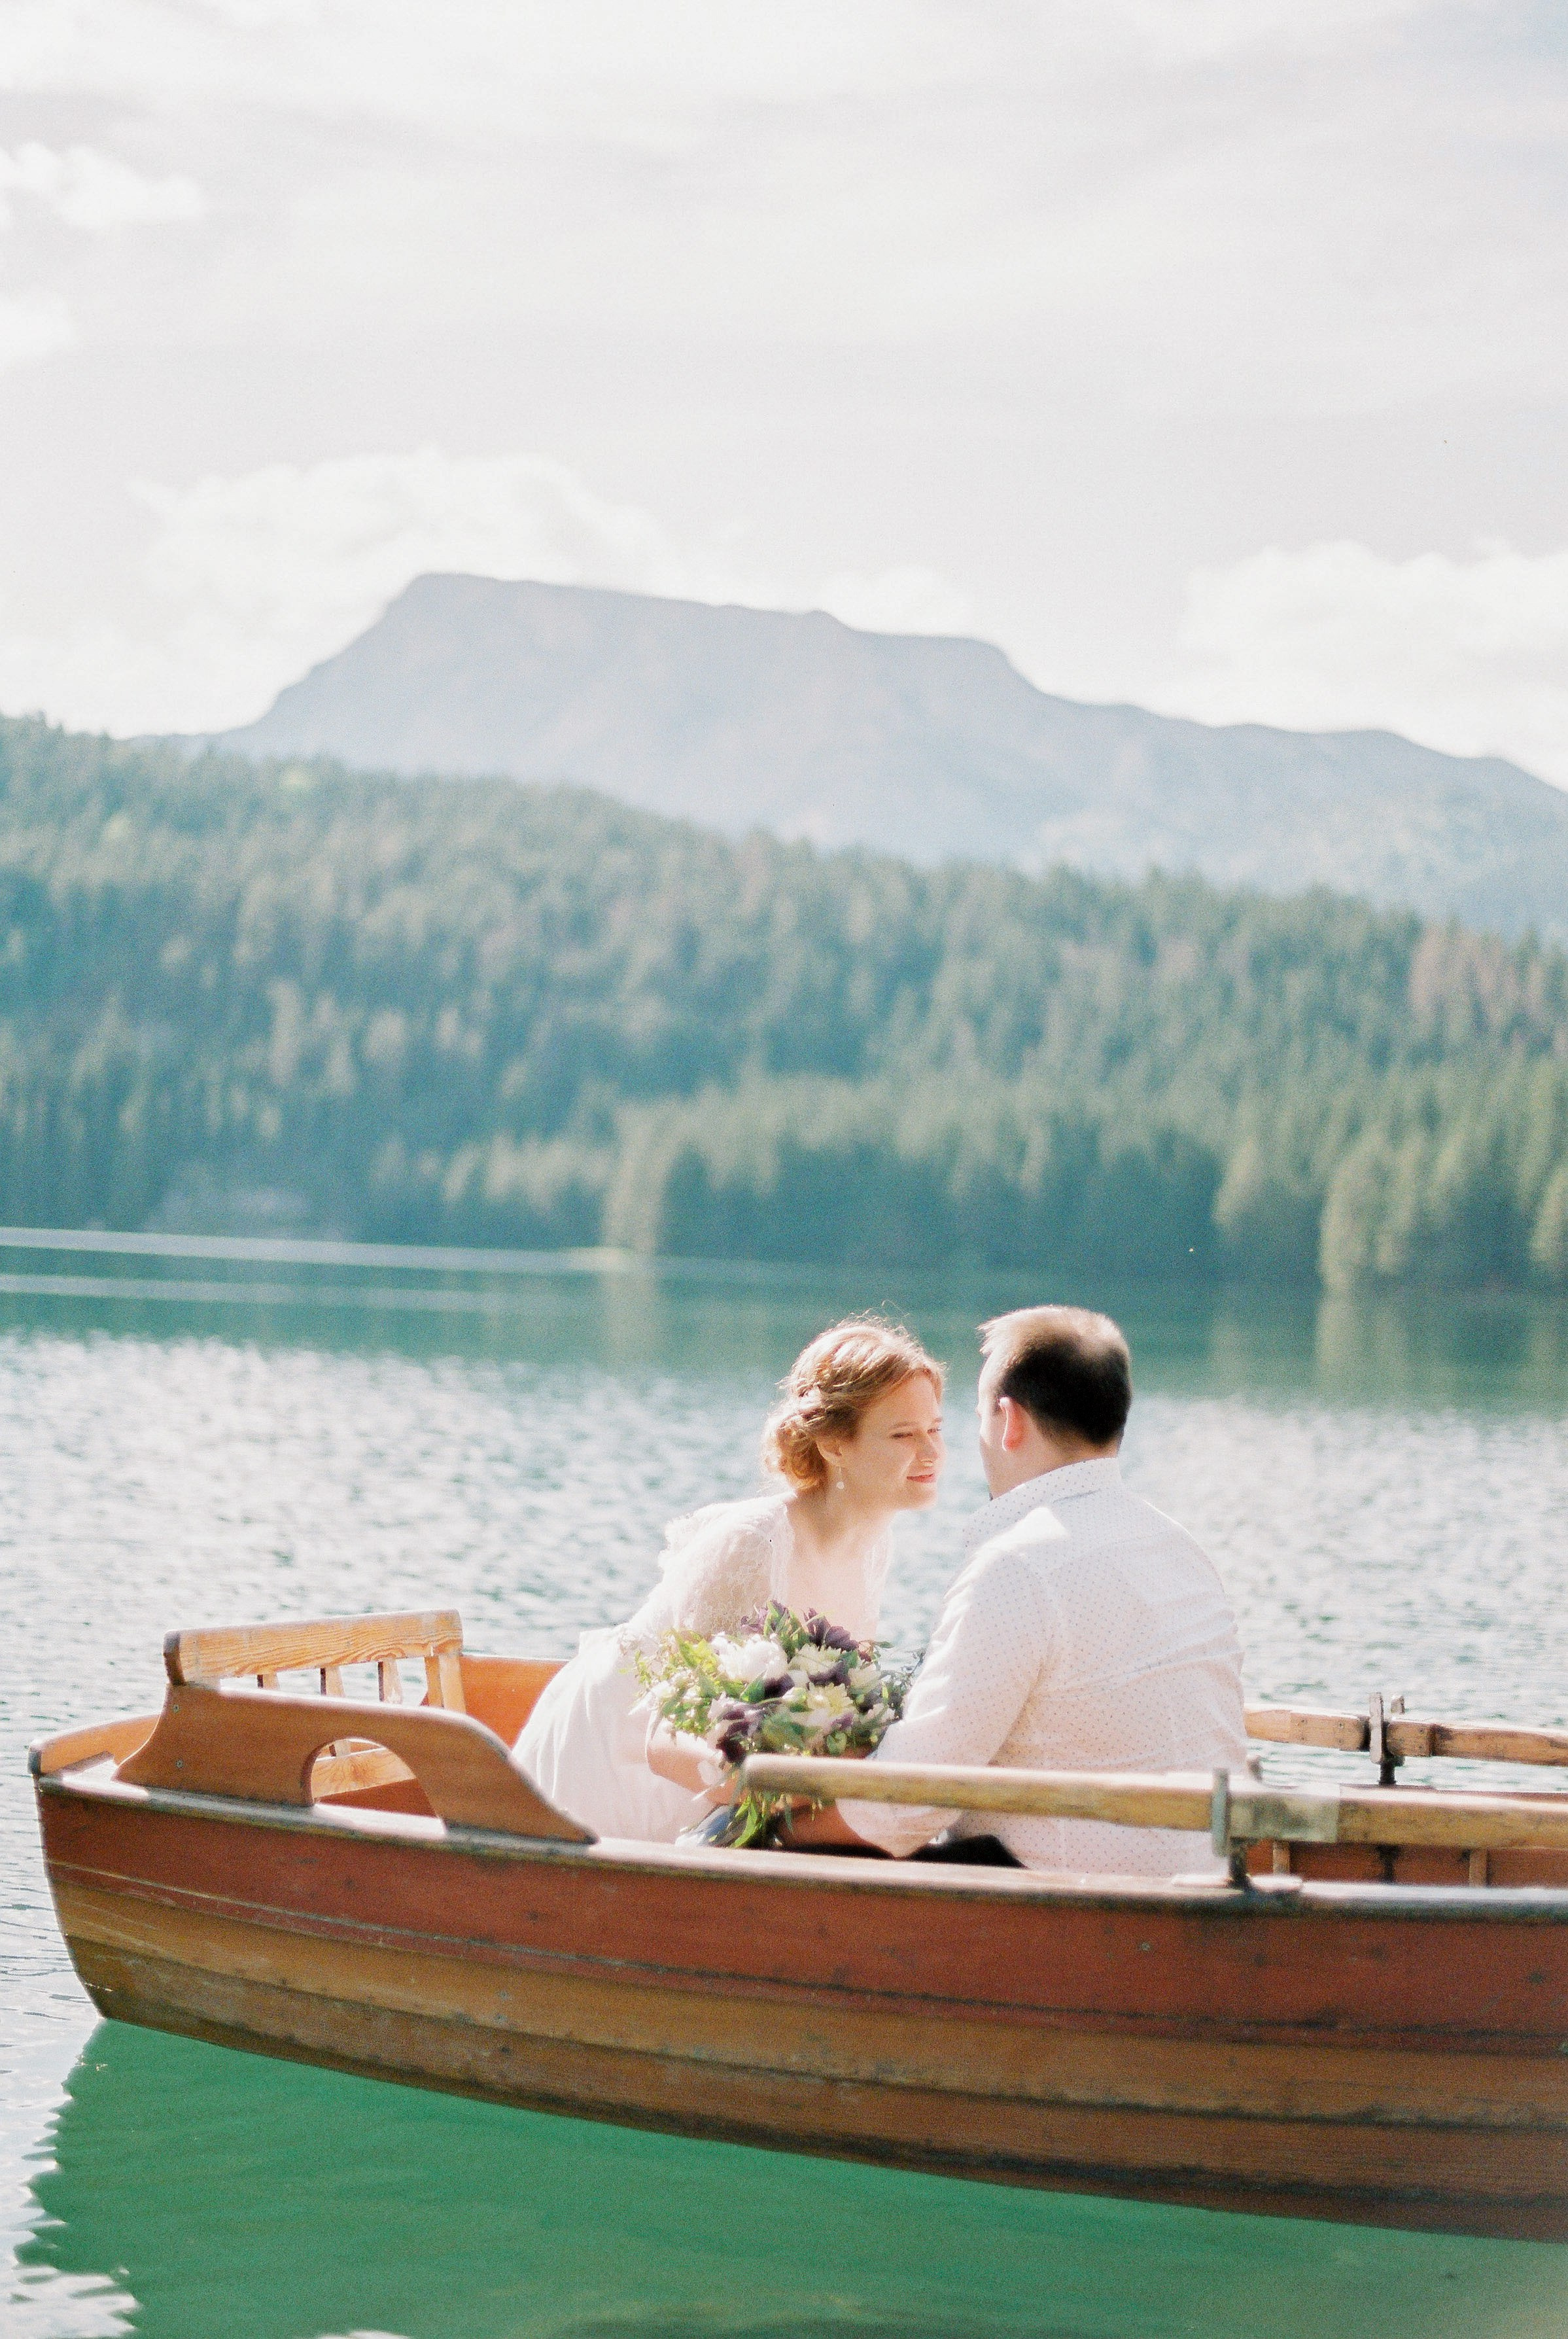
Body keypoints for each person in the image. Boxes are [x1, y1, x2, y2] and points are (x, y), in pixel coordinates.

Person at [782, 1304, 1249, 1874]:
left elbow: (906, 1804)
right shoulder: (1180, 1547)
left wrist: (769, 1827)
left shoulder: (1017, 1567)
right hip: (1213, 1876)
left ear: (1008, 1420)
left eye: (975, 1413)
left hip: (1077, 1910)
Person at [515, 1316, 945, 1841]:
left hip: (735, 1765)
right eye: (904, 1434)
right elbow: (672, 1730)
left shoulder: (875, 1539)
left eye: (935, 1429)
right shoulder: (753, 1542)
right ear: (834, 1444)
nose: (931, 1452)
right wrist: (792, 1790)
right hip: (621, 1759)